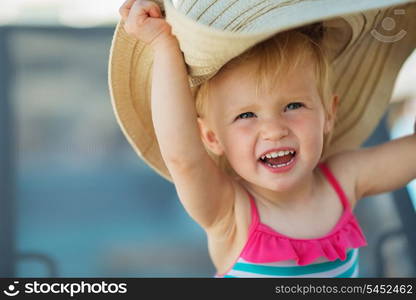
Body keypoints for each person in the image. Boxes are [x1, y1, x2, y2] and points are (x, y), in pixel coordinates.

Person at [116, 0, 416, 277]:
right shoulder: (231, 211)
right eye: (246, 115)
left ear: (328, 114)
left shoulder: (344, 179)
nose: (274, 130)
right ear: (210, 136)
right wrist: (162, 44)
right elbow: (184, 159)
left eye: (293, 106)